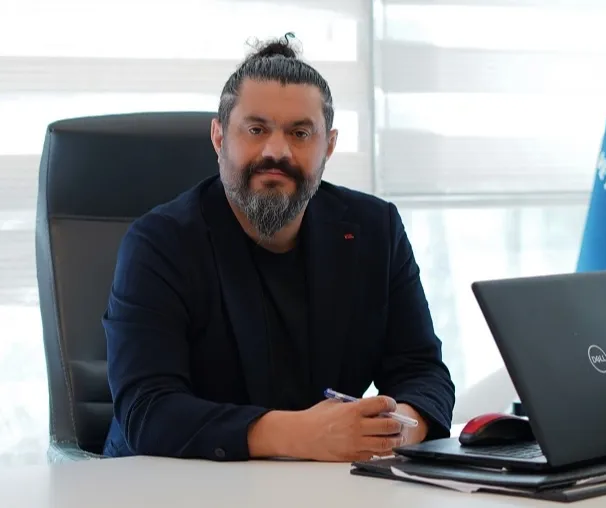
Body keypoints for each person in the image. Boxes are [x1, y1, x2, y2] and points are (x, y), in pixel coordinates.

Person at [101, 34, 456, 463]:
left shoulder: (375, 229)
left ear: (329, 146)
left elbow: (422, 371)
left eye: (300, 133)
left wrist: (393, 431)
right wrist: (302, 435)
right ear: (218, 137)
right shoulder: (159, 242)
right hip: (172, 481)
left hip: (322, 482)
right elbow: (147, 410)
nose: (277, 151)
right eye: (256, 130)